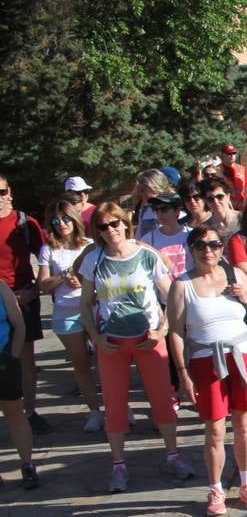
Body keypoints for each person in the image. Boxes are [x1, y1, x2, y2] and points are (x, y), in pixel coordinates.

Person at [79, 202, 193, 492]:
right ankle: (118, 466)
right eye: (103, 226)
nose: (110, 230)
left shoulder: (145, 255)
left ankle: (173, 456)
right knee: (115, 406)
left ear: (124, 222)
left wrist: (163, 330)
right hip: (112, 342)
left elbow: (172, 295)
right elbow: (85, 303)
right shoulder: (94, 259)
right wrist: (95, 336)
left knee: (162, 400)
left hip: (148, 338)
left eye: (115, 223)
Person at [167, 226, 247, 515]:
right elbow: (176, 331)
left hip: (242, 354)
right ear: (191, 249)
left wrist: (245, 298)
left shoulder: (236, 274)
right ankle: (216, 488)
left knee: (243, 423)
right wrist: (182, 371)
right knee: (215, 428)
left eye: (214, 244)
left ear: (221, 247)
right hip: (205, 359)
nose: (208, 250)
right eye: (201, 245)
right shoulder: (182, 284)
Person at [37, 200, 101, 432]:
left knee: (106, 362)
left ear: (74, 219)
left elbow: (101, 280)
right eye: (55, 221)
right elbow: (43, 285)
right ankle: (94, 411)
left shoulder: (92, 245)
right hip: (66, 313)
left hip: (93, 309)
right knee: (81, 364)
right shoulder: (49, 249)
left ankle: (120, 407)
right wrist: (64, 276)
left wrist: (82, 281)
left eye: (65, 219)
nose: (61, 224)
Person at [0, 174, 49, 434]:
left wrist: (33, 290)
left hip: (23, 296)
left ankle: (29, 412)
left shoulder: (24, 223)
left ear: (10, 192)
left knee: (25, 359)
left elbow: (45, 259)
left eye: (1, 192)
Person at [0, 281, 37, 488]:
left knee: (14, 413)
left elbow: (19, 325)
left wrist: (13, 357)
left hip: (3, 360)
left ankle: (27, 464)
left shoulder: (1, 288)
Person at [146, 192, 190, 278]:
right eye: (155, 209)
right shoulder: (148, 239)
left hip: (189, 287)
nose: (160, 213)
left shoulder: (190, 235)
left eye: (164, 209)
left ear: (177, 211)